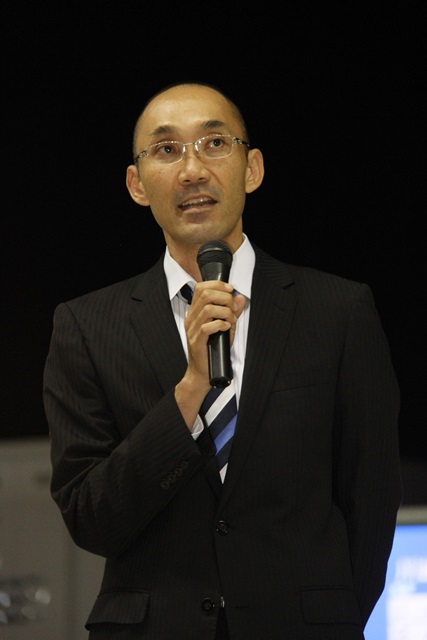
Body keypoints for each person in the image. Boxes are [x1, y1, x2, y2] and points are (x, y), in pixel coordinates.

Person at [43, 81, 402, 640]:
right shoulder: (86, 326)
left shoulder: (339, 310)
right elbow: (90, 516)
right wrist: (190, 388)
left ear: (252, 169)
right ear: (137, 185)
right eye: (167, 150)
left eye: (214, 143)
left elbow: (371, 498)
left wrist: (330, 617)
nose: (192, 170)